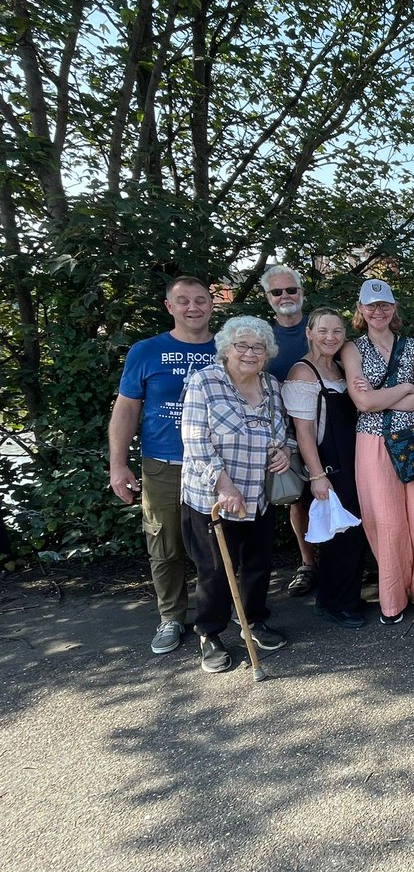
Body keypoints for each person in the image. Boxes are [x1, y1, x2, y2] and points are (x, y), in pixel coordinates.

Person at [109, 275, 216, 655]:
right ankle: (171, 616)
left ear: (211, 304)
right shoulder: (147, 351)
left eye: (200, 300)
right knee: (164, 545)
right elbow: (126, 410)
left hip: (215, 465)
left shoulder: (229, 347)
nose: (193, 307)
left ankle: (217, 614)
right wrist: (118, 465)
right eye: (183, 300)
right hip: (163, 464)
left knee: (217, 544)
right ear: (170, 307)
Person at [179, 316, 292, 673]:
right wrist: (223, 485)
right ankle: (210, 633)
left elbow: (284, 431)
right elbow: (195, 441)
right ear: (226, 349)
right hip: (213, 497)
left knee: (258, 564)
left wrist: (285, 451)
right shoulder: (204, 382)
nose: (250, 353)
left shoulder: (271, 385)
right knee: (215, 569)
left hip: (259, 494)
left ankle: (252, 621)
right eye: (241, 345)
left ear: (267, 354)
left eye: (258, 347)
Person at [342, 279, 414, 623]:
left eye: (384, 304)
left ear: (393, 307)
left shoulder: (412, 346)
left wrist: (380, 398)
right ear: (361, 309)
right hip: (374, 443)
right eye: (371, 305)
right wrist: (404, 387)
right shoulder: (352, 349)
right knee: (387, 522)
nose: (378, 311)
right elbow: (363, 403)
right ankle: (393, 600)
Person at [282, 308, 368, 628]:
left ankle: (348, 597)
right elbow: (303, 432)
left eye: (337, 331)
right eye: (323, 331)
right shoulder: (302, 373)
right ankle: (334, 603)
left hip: (352, 461)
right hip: (328, 466)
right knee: (338, 536)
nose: (330, 337)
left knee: (354, 534)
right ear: (309, 333)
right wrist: (317, 476)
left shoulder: (340, 368)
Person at [260, 264, 318, 596]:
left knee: (340, 492)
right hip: (286, 433)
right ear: (268, 297)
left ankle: (344, 558)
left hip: (328, 426)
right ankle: (308, 563)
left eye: (291, 290)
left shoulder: (320, 329)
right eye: (277, 291)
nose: (285, 296)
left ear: (301, 293)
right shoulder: (263, 339)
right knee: (298, 499)